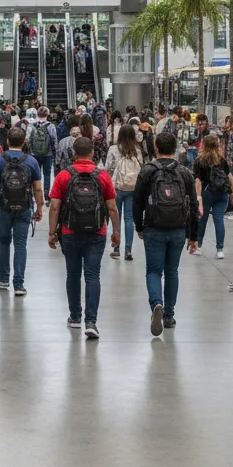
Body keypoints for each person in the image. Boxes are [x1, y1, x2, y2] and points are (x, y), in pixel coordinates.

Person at [48, 137, 119, 339]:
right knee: (92, 276)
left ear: (73, 154)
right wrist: (116, 232)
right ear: (92, 153)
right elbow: (112, 207)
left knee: (72, 274)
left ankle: (75, 317)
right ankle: (91, 322)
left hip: (70, 232)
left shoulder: (63, 176)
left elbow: (54, 206)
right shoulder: (103, 176)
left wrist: (52, 233)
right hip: (97, 232)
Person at [132, 132, 198, 336]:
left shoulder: (148, 170)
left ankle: (156, 304)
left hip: (153, 226)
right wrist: (193, 235)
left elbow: (137, 201)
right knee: (172, 272)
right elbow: (193, 205)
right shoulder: (185, 172)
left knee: (153, 271)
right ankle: (168, 316)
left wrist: (139, 226)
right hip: (178, 228)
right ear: (175, 148)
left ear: (156, 147)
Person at [0, 127, 45, 296]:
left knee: (3, 241)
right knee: (20, 244)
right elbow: (38, 189)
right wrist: (39, 207)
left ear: (7, 141)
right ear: (25, 141)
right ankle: (18, 284)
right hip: (24, 207)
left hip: (3, 208)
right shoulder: (31, 161)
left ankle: (3, 278)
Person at [192, 134, 233, 258]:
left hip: (207, 193)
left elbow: (198, 181)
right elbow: (229, 176)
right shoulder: (222, 160)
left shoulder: (200, 161)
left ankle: (198, 246)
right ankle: (220, 249)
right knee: (219, 219)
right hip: (222, 193)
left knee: (202, 219)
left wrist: (199, 197)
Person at [104, 124, 143, 261]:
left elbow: (108, 167)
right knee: (129, 219)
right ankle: (128, 250)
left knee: (116, 217)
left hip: (116, 187)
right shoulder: (137, 150)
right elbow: (141, 167)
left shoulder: (114, 149)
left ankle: (116, 248)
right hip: (132, 187)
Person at [26, 108, 57, 198]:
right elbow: (54, 140)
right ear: (47, 114)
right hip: (48, 153)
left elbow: (28, 140)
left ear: (37, 114)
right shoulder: (50, 126)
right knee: (47, 174)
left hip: (34, 154)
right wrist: (55, 153)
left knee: (35, 174)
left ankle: (35, 193)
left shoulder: (31, 125)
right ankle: (46, 194)